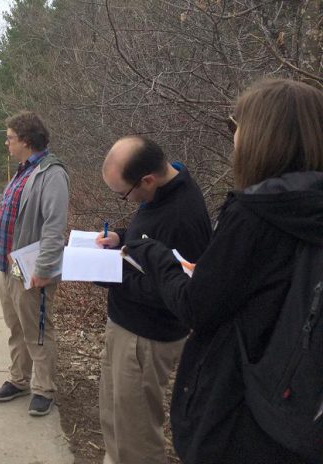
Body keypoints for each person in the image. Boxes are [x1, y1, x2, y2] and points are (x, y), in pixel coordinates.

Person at [125, 79, 323, 463]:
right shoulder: (307, 208)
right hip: (301, 411)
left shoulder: (255, 213)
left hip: (244, 412)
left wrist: (154, 252)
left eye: (236, 127)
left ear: (264, 137)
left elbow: (196, 306)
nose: (234, 138)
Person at [94, 136, 211, 464]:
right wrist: (120, 236)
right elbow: (147, 238)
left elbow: (178, 294)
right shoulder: (161, 190)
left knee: (137, 436)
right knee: (115, 419)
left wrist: (112, 275)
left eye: (123, 195)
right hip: (125, 329)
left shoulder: (184, 217)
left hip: (144, 339)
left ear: (147, 179)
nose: (125, 201)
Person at [0, 111, 69, 416]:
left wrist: (44, 269)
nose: (6, 142)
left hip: (32, 267)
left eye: (10, 137)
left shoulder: (52, 173)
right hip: (8, 265)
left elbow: (54, 226)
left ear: (25, 139)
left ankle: (44, 388)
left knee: (37, 329)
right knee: (16, 327)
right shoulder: (23, 170)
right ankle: (20, 379)